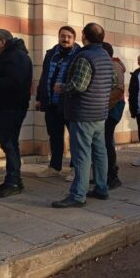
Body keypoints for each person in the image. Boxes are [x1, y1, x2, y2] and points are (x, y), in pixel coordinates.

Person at [51, 23, 114, 208]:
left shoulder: (85, 56)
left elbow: (79, 85)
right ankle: (102, 188)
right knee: (100, 152)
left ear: (84, 35)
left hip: (83, 113)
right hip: (100, 113)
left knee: (82, 155)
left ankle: (78, 195)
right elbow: (113, 82)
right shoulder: (105, 56)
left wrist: (61, 87)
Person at [35, 26, 81, 181]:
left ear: (74, 39)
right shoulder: (51, 54)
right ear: (59, 37)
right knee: (54, 136)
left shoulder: (79, 55)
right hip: (51, 103)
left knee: (75, 138)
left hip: (69, 104)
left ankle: (76, 168)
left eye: (69, 36)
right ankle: (55, 167)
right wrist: (39, 98)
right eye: (63, 36)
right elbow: (44, 76)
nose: (65, 39)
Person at [0, 29, 33, 198]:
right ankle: (14, 180)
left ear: (2, 42)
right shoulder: (9, 55)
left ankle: (13, 181)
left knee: (10, 143)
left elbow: (14, 82)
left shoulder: (16, 57)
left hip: (12, 107)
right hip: (6, 107)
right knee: (8, 143)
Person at [102, 42, 125, 189]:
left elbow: (118, 91)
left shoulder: (114, 66)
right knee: (105, 141)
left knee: (107, 140)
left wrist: (105, 107)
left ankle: (112, 176)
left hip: (112, 108)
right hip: (109, 107)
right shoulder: (111, 65)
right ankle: (105, 174)